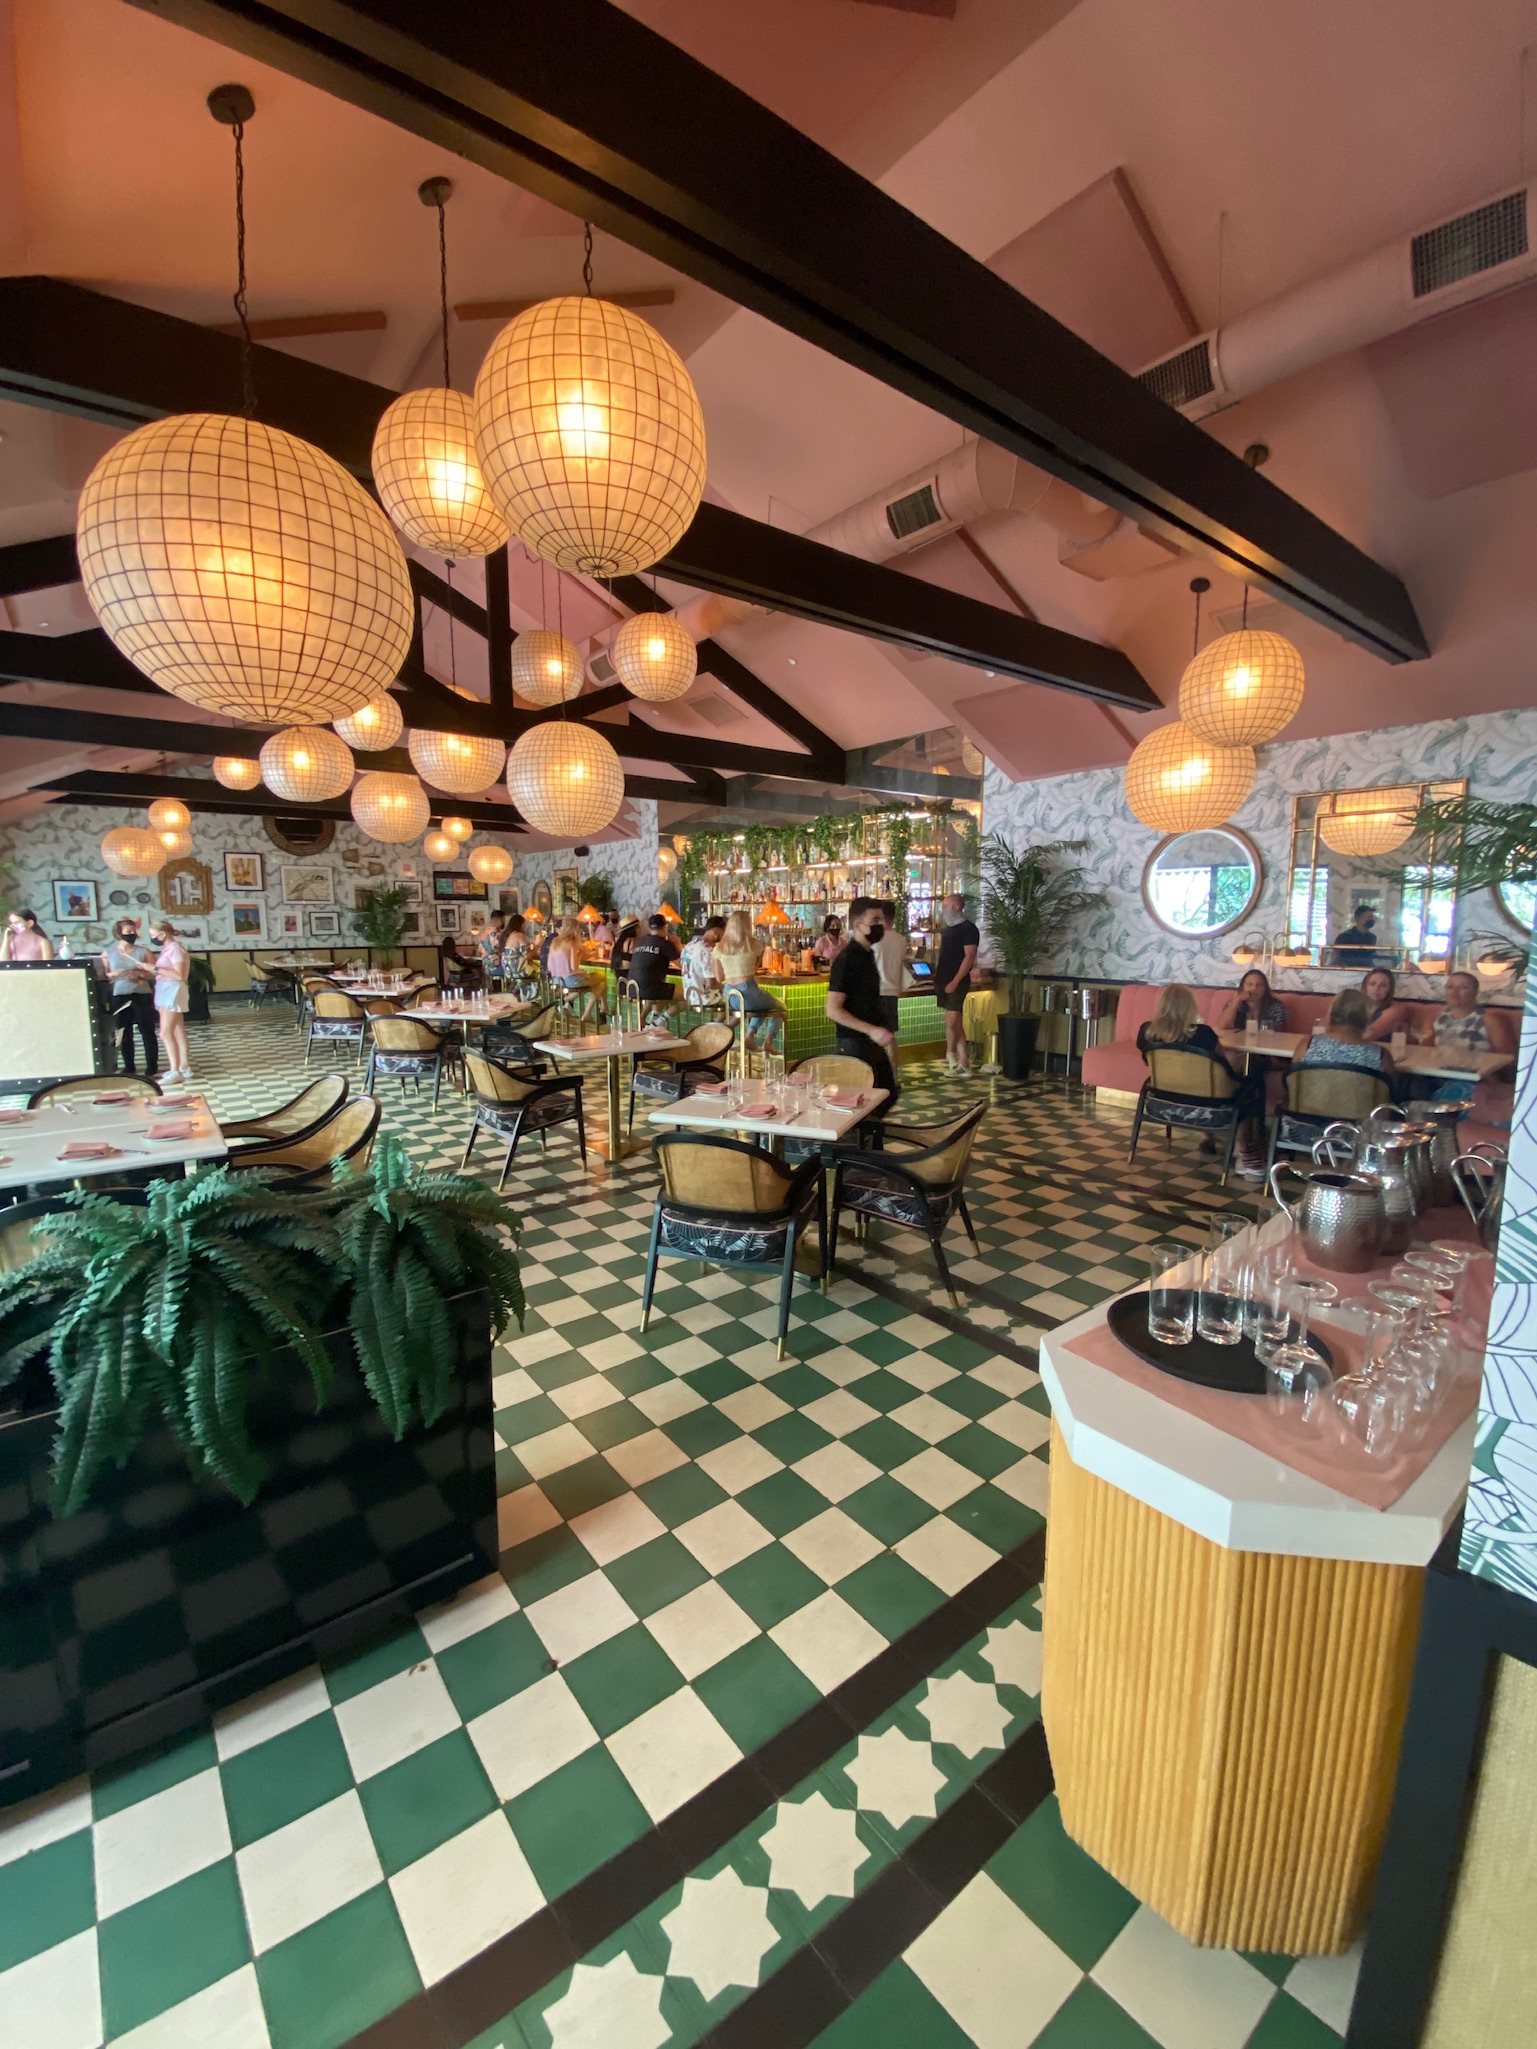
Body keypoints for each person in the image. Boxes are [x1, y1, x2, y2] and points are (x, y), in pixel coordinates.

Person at [1138, 983, 1262, 1173]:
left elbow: (1148, 1062)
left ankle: (1206, 1136)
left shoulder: (1146, 1032)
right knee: (1248, 1089)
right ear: (1189, 1007)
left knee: (1198, 1083)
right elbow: (1221, 1066)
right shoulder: (1203, 1033)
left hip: (1161, 1100)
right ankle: (1240, 1149)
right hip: (1207, 1105)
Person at [826, 896, 899, 1108]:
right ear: (859, 925)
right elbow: (832, 1009)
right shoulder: (847, 960)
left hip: (869, 1042)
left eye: (882, 920)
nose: (881, 925)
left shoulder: (868, 955)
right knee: (866, 1105)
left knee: (886, 1096)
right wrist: (871, 1030)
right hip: (854, 1044)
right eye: (875, 920)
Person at [1291, 988, 1396, 1078]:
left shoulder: (1307, 1045)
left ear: (1331, 1013)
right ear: (1366, 1019)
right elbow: (1392, 1090)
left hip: (1312, 1096)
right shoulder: (1381, 1056)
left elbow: (1292, 1083)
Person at [100, 919, 158, 1077]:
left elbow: (155, 973)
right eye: (128, 931)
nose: (132, 934)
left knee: (147, 1031)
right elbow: (103, 975)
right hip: (119, 995)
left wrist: (139, 974)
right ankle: (129, 1066)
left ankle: (152, 1065)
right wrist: (114, 974)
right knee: (123, 1032)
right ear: (118, 933)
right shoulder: (108, 953)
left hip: (141, 994)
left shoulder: (144, 952)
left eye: (133, 931)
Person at [935, 891, 980, 1074]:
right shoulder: (948, 930)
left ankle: (950, 1053)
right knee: (956, 1020)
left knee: (952, 1019)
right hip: (943, 979)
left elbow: (969, 957)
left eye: (946, 906)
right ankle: (964, 1061)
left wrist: (955, 980)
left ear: (956, 907)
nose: (943, 910)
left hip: (957, 980)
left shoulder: (969, 929)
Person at [1426, 971, 1519, 1059]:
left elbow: (1507, 1058)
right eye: (1450, 987)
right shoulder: (1438, 1018)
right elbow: (1424, 1050)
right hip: (1439, 1068)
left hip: (1479, 1069)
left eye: (1463, 987)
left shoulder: (1488, 1020)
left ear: (1475, 992)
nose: (1455, 991)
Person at [149, 920, 192, 1082]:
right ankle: (184, 1066)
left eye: (153, 935)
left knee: (165, 1032)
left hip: (172, 991)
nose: (152, 938)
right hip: (166, 989)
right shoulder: (169, 949)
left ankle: (175, 1070)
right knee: (177, 1030)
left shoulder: (175, 949)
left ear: (163, 934)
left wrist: (154, 968)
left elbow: (179, 975)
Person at [715, 909, 781, 1014]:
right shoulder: (754, 945)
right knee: (780, 1007)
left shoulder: (719, 948)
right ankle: (759, 1027)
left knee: (761, 1010)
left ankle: (751, 1026)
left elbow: (719, 978)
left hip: (728, 998)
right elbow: (755, 968)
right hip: (749, 995)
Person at [626, 913, 682, 1004]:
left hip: (632, 988)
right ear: (665, 928)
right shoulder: (665, 944)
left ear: (649, 929)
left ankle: (651, 1013)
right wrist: (677, 944)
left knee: (663, 995)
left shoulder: (641, 941)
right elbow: (684, 966)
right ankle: (665, 1014)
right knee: (688, 994)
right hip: (650, 990)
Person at [872, 901, 908, 1035]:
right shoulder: (901, 940)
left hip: (874, 992)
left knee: (873, 1035)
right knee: (889, 1036)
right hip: (892, 992)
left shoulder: (873, 938)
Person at [1217, 968, 1286, 1035]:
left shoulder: (1276, 1007)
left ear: (1265, 989)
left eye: (1259, 985)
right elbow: (1223, 1026)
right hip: (1237, 1041)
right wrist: (1237, 1000)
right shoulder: (1234, 1004)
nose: (1254, 988)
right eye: (1250, 984)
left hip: (1266, 1042)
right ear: (1243, 987)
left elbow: (1279, 1034)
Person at [1360, 966, 1414, 1044]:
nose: (1377, 988)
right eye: (1372, 984)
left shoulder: (1396, 1009)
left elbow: (1368, 1035)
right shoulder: (1356, 1005)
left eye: (1383, 985)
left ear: (1390, 990)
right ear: (1365, 987)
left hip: (1382, 1050)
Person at [681, 917, 724, 998]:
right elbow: (711, 984)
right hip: (706, 1000)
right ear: (716, 932)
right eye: (724, 933)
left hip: (690, 997)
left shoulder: (689, 946)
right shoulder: (707, 951)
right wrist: (729, 985)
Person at [545, 918, 588, 990]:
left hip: (555, 980)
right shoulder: (572, 942)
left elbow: (549, 964)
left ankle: (570, 996)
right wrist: (581, 953)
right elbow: (574, 967)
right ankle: (571, 997)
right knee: (601, 977)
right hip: (569, 981)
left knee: (599, 983)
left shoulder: (555, 941)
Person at [477, 912, 506, 980]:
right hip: (496, 967)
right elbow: (504, 950)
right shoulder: (496, 934)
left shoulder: (484, 933)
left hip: (486, 967)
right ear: (499, 919)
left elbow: (479, 950)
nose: (504, 922)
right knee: (515, 970)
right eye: (504, 919)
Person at [609, 917, 639, 982]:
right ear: (634, 929)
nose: (640, 929)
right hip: (628, 977)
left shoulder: (619, 941)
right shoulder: (632, 941)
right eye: (638, 927)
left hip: (618, 976)